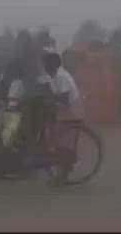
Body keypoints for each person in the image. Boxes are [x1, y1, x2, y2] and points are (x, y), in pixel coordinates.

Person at [36, 51, 83, 186]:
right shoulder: (52, 74)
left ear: (51, 65)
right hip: (64, 110)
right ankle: (60, 170)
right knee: (54, 136)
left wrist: (48, 99)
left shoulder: (62, 76)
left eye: (44, 63)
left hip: (71, 112)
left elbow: (63, 97)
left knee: (61, 143)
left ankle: (63, 174)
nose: (42, 66)